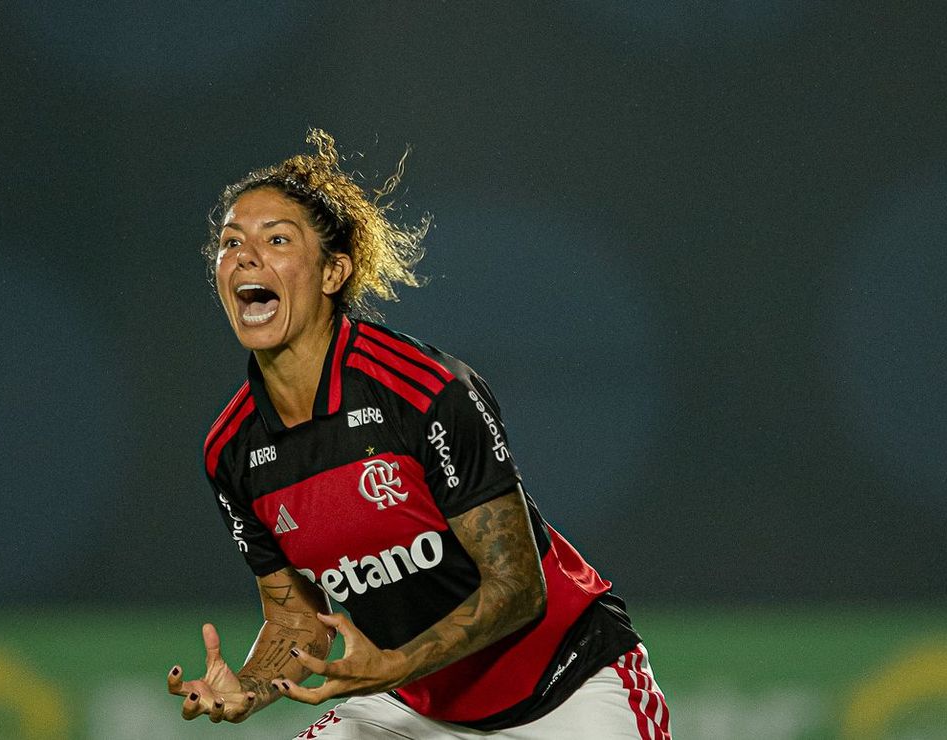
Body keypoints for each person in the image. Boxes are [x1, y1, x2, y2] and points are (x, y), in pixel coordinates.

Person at [167, 130, 670, 739]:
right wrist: (247, 688)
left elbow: (517, 587)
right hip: (411, 705)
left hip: (565, 688)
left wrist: (394, 664)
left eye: (277, 239)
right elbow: (295, 616)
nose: (246, 257)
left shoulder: (423, 392)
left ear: (333, 272)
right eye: (230, 243)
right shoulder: (232, 450)